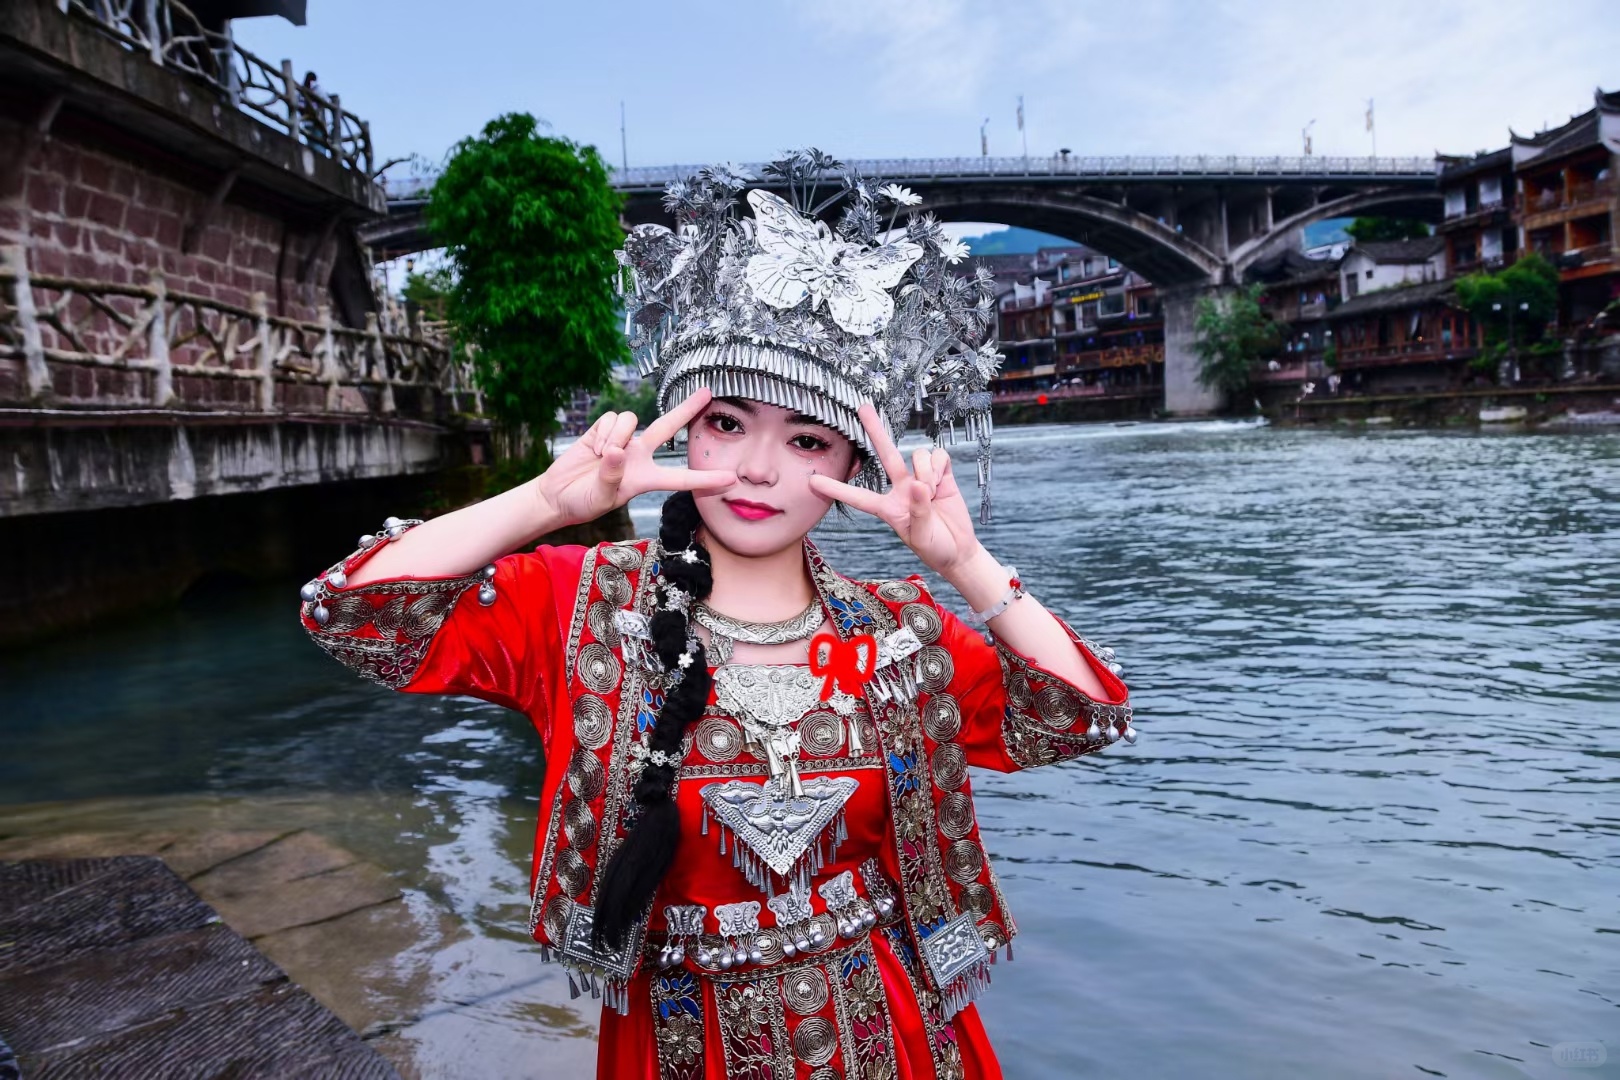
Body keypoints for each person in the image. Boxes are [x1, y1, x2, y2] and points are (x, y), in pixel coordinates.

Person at [300, 154, 1136, 1079]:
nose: (757, 471)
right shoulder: (579, 603)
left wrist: (963, 564)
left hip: (899, 1037)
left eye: (806, 440)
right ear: (684, 427)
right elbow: (353, 615)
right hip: (676, 1045)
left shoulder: (901, 627)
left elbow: (1078, 714)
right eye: (728, 424)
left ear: (852, 469)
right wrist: (542, 502)